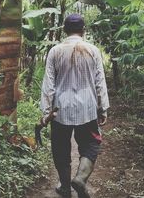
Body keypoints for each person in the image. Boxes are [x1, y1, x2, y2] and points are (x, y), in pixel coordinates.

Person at [40, 13, 110, 198]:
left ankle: (65, 186)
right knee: (91, 143)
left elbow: (49, 85)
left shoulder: (55, 51)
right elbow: (99, 82)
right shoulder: (93, 50)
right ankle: (80, 178)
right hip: (87, 109)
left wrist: (45, 113)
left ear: (64, 30)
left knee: (60, 147)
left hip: (60, 110)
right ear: (83, 30)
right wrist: (103, 108)